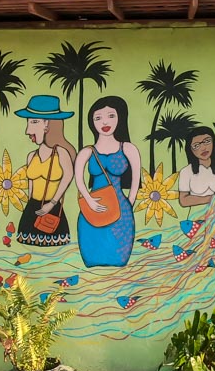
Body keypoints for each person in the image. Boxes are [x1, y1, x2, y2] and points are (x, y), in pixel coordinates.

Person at [74, 96, 141, 267]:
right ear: (92, 122)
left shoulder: (128, 148)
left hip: (121, 207)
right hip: (93, 206)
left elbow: (136, 180)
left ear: (120, 117)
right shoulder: (86, 152)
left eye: (111, 116)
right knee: (92, 248)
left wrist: (128, 204)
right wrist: (89, 200)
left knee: (118, 255)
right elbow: (79, 180)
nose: (105, 121)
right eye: (98, 118)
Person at [14, 95, 76, 247]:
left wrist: (53, 203)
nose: (28, 130)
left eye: (34, 122)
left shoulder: (61, 153)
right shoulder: (31, 156)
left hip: (52, 210)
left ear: (47, 124)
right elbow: (31, 186)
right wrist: (28, 207)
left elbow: (68, 176)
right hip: (31, 209)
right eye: (28, 122)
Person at [177, 126, 215, 207]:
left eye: (207, 141)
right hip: (197, 215)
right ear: (190, 150)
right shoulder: (185, 171)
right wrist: (212, 198)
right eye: (196, 145)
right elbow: (183, 200)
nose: (203, 148)